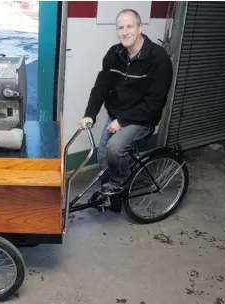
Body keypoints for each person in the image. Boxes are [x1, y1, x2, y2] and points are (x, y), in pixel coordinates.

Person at [79, 9, 173, 199]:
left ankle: (119, 184)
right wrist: (90, 114)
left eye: (129, 26)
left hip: (143, 119)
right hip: (118, 115)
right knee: (103, 155)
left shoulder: (159, 59)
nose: (124, 32)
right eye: (120, 27)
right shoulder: (114, 53)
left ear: (140, 28)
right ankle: (112, 190)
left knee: (116, 148)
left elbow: (154, 103)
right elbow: (101, 86)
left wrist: (122, 121)